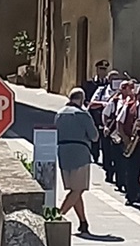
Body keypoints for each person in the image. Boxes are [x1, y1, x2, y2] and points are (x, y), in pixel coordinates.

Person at [56, 88, 99, 236]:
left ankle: (83, 222)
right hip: (80, 151)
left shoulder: (59, 113)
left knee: (74, 189)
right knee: (78, 189)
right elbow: (94, 136)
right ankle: (57, 215)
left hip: (63, 151)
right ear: (81, 99)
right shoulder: (82, 114)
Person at [82, 59, 110, 163]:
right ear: (97, 70)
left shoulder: (109, 84)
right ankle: (95, 155)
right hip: (94, 114)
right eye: (101, 69)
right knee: (94, 136)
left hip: (105, 115)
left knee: (105, 138)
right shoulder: (90, 83)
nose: (103, 71)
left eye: (105, 69)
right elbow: (86, 100)